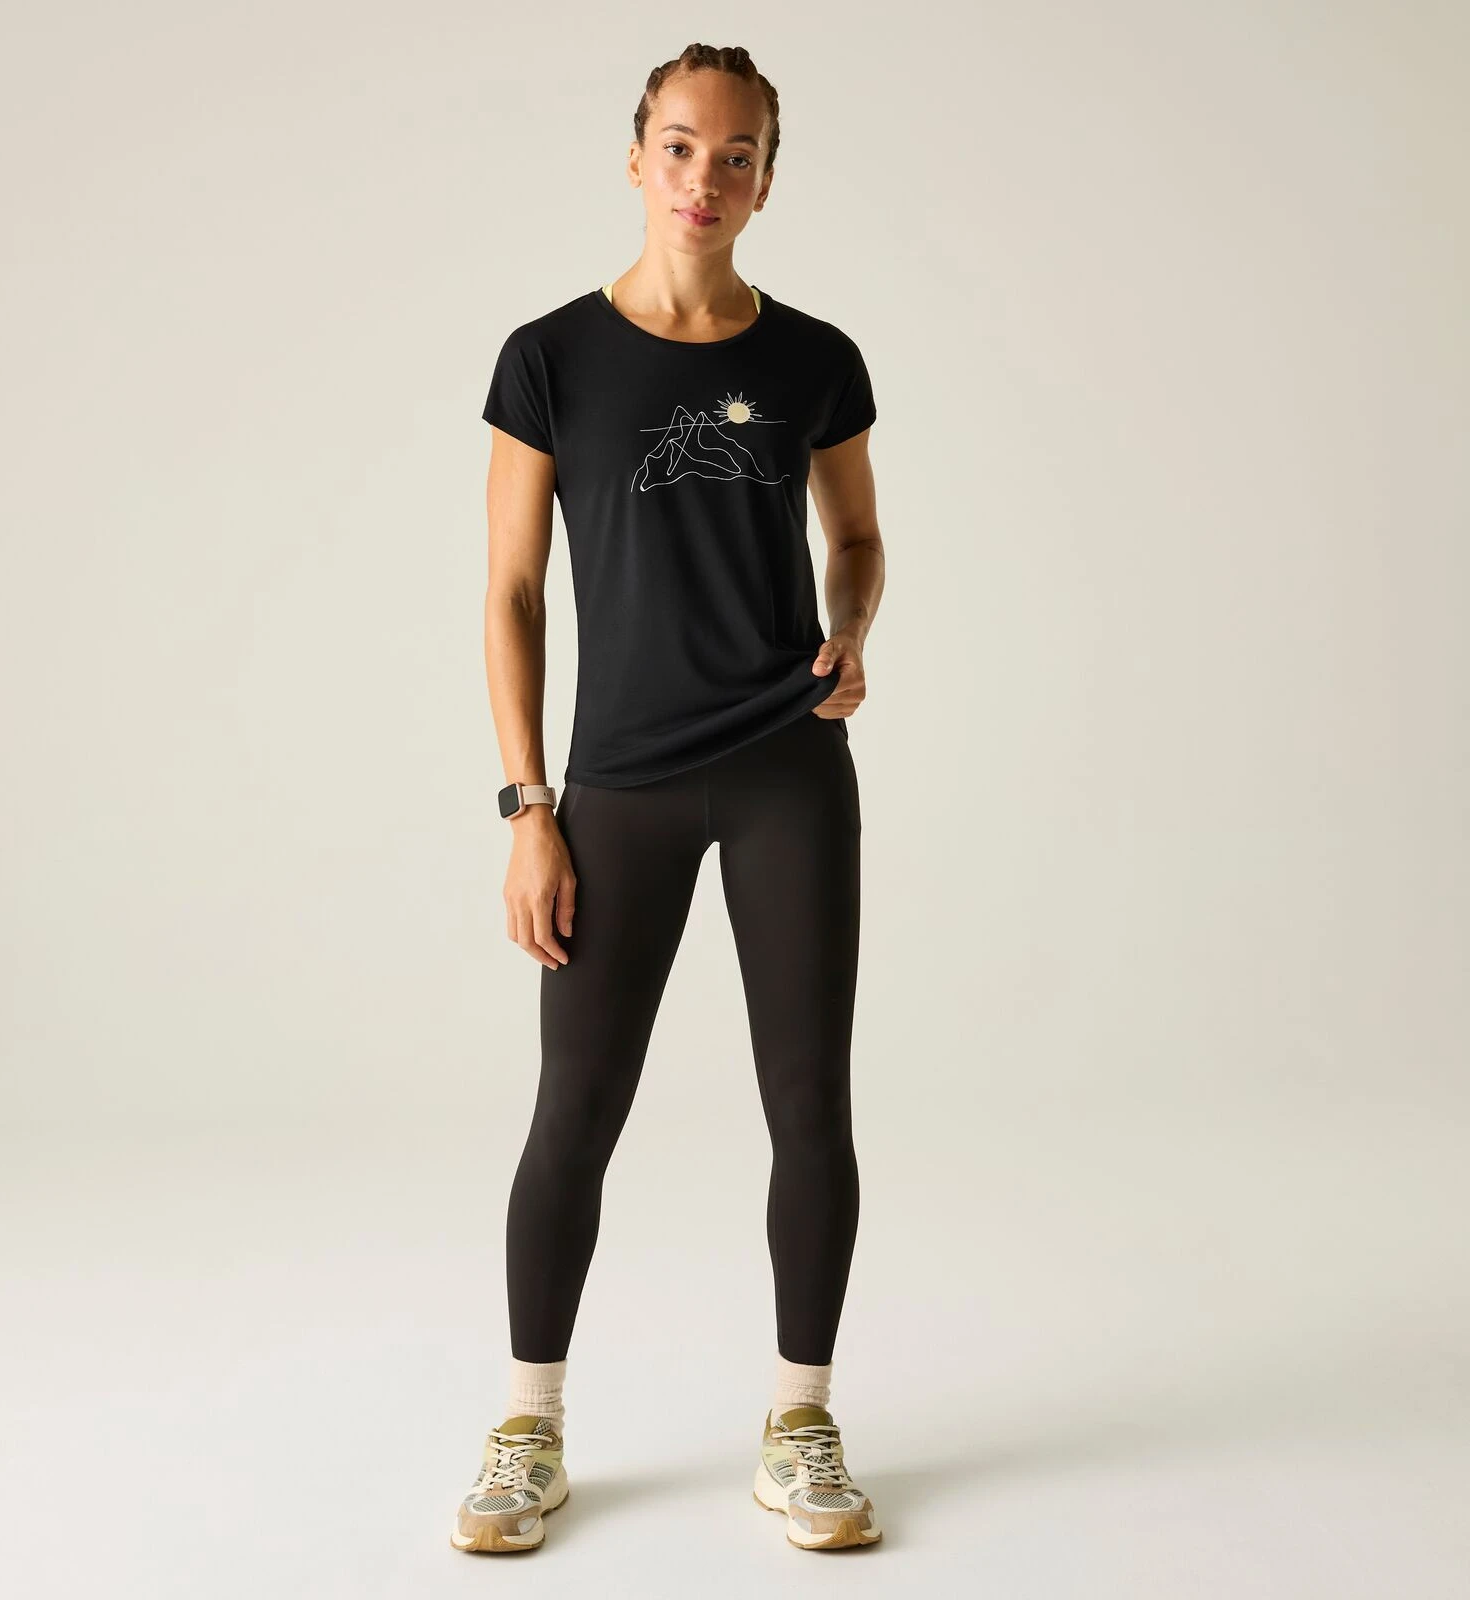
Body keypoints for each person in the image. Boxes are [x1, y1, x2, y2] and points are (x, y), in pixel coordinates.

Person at [451, 41, 886, 1556]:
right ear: (638, 156)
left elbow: (858, 539)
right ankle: (529, 1426)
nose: (708, 176)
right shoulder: (550, 359)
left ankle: (802, 1422)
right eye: (684, 146)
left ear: (769, 179)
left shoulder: (817, 358)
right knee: (574, 1110)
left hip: (785, 770)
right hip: (618, 785)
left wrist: (851, 627)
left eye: (739, 153)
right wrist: (529, 806)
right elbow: (512, 592)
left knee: (809, 1104)